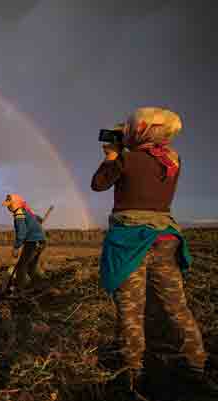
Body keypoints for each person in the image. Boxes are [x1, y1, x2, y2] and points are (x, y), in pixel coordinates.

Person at [91, 107, 217, 398]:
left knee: (131, 310)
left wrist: (111, 154)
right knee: (176, 305)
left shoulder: (126, 159)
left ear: (140, 130)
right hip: (165, 239)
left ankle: (133, 373)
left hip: (130, 241)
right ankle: (196, 364)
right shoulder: (173, 160)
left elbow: (98, 184)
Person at [0, 194, 46, 293]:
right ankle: (39, 287)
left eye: (10, 205)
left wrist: (16, 247)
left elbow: (21, 233)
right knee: (31, 266)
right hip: (41, 241)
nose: (8, 207)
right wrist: (37, 222)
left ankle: (20, 290)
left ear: (15, 204)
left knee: (21, 267)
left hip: (33, 242)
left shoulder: (19, 214)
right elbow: (37, 219)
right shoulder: (26, 211)